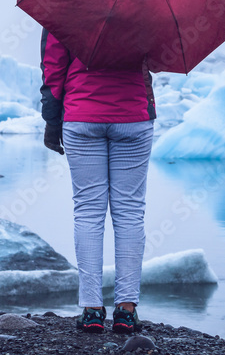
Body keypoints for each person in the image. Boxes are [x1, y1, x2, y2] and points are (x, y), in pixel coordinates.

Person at [39, 28, 156, 334]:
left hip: (82, 114)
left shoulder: (65, 1)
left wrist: (52, 121)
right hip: (133, 114)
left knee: (88, 211)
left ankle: (92, 310)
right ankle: (126, 311)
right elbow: (159, 56)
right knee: (130, 212)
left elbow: (53, 66)